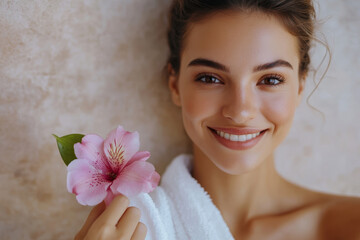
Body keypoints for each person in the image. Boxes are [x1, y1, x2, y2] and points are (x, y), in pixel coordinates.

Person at [74, 0, 360, 239]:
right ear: (175, 85)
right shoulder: (126, 228)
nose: (240, 111)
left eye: (270, 79)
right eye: (210, 78)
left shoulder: (350, 225)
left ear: (299, 86)